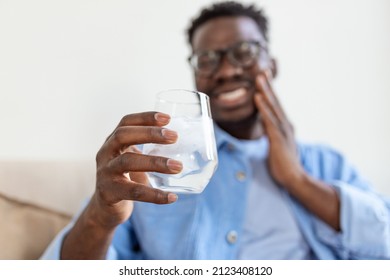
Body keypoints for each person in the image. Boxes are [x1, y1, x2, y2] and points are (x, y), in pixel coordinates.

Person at [41, 1, 390, 259]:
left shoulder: (326, 165)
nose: (224, 72)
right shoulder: (152, 169)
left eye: (244, 52)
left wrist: (297, 179)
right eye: (207, 60)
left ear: (273, 65)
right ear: (195, 76)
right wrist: (99, 218)